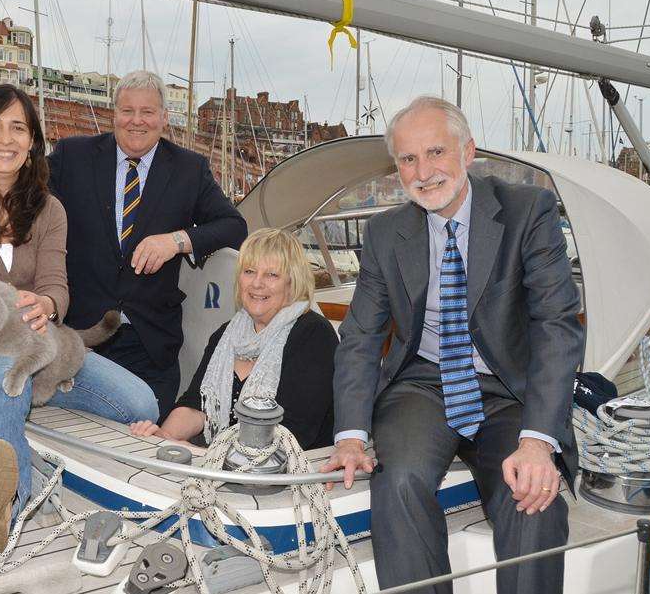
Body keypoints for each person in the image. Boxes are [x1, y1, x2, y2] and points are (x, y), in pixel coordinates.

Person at [321, 96, 583, 594]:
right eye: (408, 159)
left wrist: (536, 442)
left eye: (436, 152)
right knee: (397, 483)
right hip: (422, 385)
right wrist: (350, 436)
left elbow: (556, 324)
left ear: (467, 152)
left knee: (531, 498)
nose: (424, 172)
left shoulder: (528, 211)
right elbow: (360, 338)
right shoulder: (383, 233)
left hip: (509, 389)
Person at [0, 84, 159, 556]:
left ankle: (30, 397)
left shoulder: (50, 210)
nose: (5, 139)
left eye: (18, 128)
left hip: (37, 346)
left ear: (32, 142)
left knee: (141, 405)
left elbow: (57, 289)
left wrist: (46, 306)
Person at [48, 70, 247, 420]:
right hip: (80, 338)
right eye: (128, 111)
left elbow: (234, 227)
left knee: (147, 440)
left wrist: (177, 241)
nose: (136, 121)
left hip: (151, 346)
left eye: (148, 112)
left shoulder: (189, 169)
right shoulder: (71, 157)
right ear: (114, 114)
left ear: (164, 118)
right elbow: (23, 202)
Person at [129, 228, 336, 450]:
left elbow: (293, 433)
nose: (257, 283)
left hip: (289, 470)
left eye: (272, 275)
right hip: (219, 458)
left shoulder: (315, 335)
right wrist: (162, 438)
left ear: (292, 282)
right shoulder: (226, 334)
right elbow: (196, 405)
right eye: (249, 271)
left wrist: (197, 452)